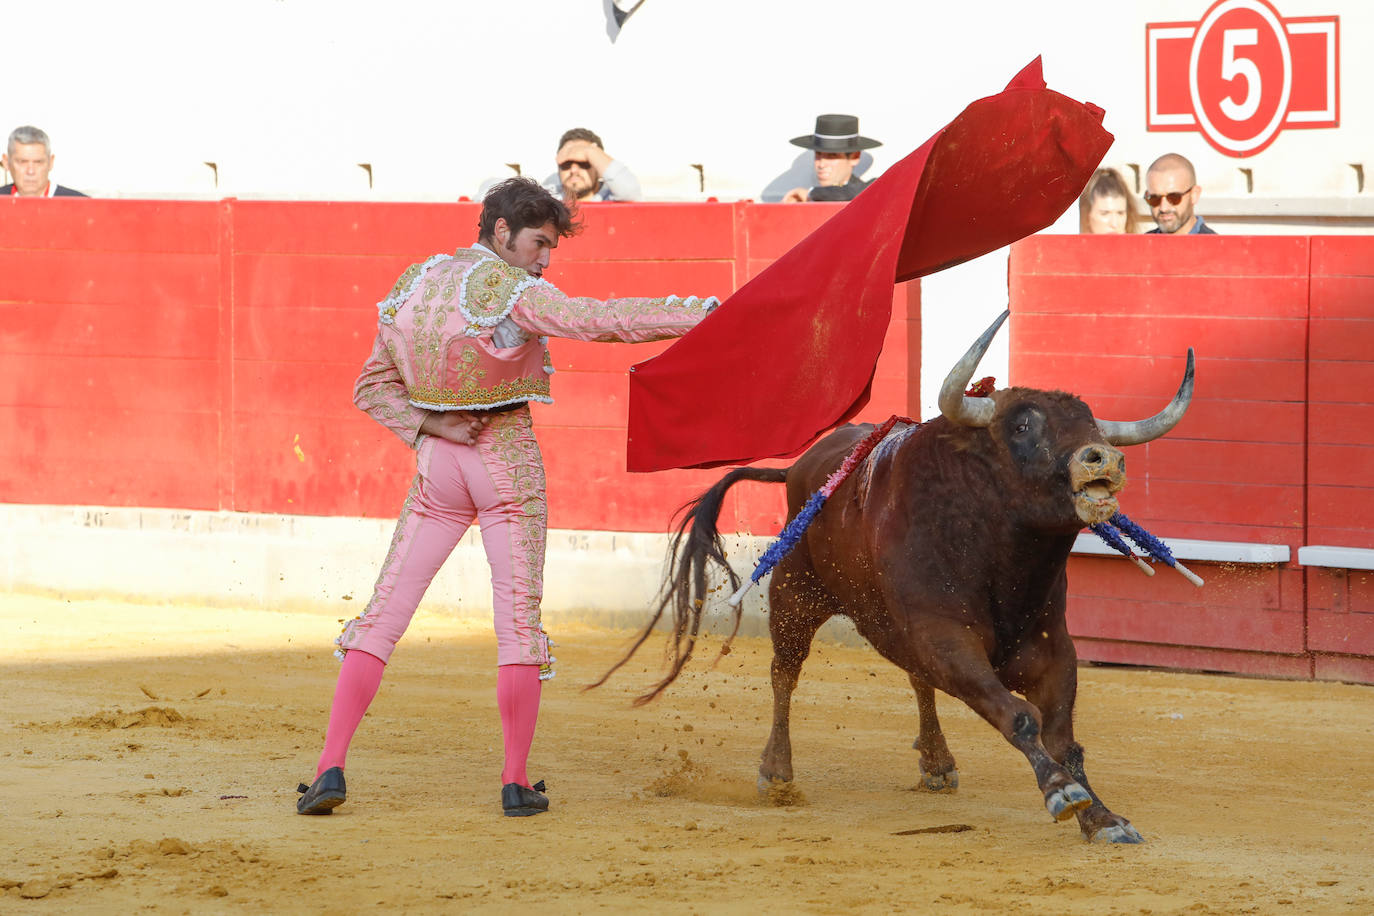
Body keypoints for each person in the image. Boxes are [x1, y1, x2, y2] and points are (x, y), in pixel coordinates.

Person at [296, 177, 717, 818]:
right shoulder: (510, 291)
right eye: (538, 243)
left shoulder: (412, 285)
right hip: (505, 460)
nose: (545, 260)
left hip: (438, 465)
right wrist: (706, 315)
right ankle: (515, 783)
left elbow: (371, 388)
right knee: (516, 622)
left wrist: (429, 424)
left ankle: (329, 767)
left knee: (382, 614)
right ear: (501, 232)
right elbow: (603, 322)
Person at [781, 114, 881, 203]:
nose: (821, 164)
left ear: (854, 157)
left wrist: (810, 193)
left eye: (832, 156)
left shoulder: (869, 191)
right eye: (818, 155)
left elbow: (854, 193)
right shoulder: (801, 201)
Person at [541, 128, 642, 203]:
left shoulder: (612, 196)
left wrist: (589, 151)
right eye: (567, 163)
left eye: (583, 162)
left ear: (598, 169)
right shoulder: (548, 195)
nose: (573, 170)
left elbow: (631, 193)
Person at [1, 125, 86, 197]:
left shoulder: (82, 205)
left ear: (50, 162)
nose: (31, 171)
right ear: (6, 162)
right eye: (22, 162)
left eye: (38, 162)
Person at [1144, 153, 1216, 235]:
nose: (1163, 208)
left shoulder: (1216, 246)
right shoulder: (1140, 245)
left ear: (1194, 195)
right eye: (1154, 199)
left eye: (1174, 197)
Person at [1078, 167, 1141, 234]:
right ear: (1086, 215)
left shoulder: (1143, 244)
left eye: (1120, 213)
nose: (1114, 224)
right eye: (1105, 213)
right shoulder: (1069, 243)